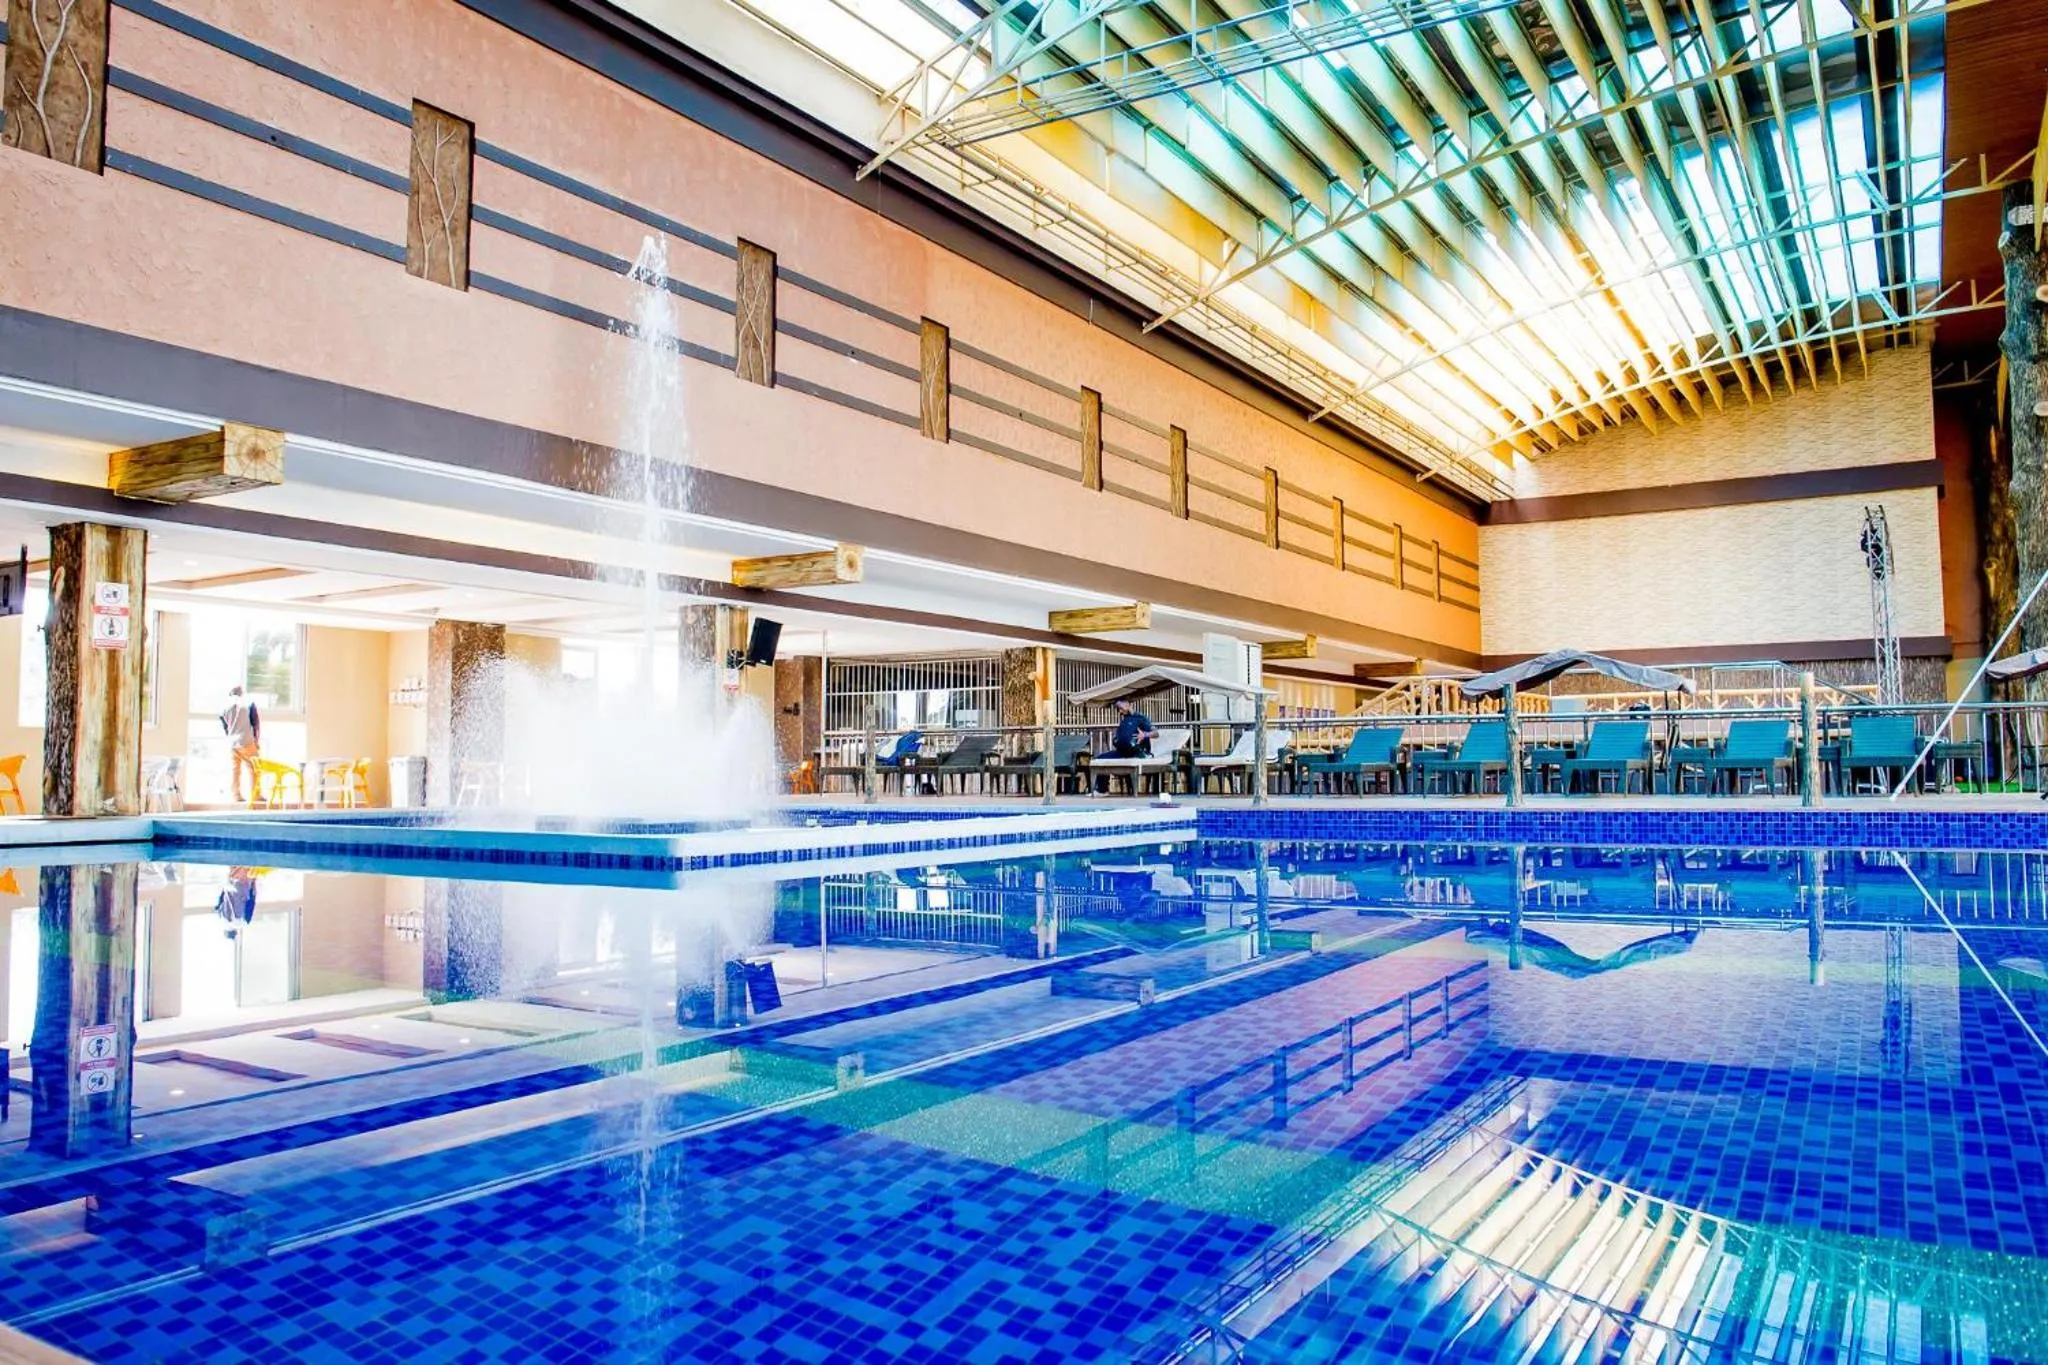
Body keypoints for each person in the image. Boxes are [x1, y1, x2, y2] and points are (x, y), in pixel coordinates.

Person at [221, 685, 261, 804]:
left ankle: (236, 795)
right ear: (242, 693)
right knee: (255, 768)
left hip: (233, 743)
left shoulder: (225, 708)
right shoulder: (248, 703)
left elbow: (225, 726)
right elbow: (256, 723)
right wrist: (256, 740)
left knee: (235, 769)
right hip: (246, 741)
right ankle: (256, 795)